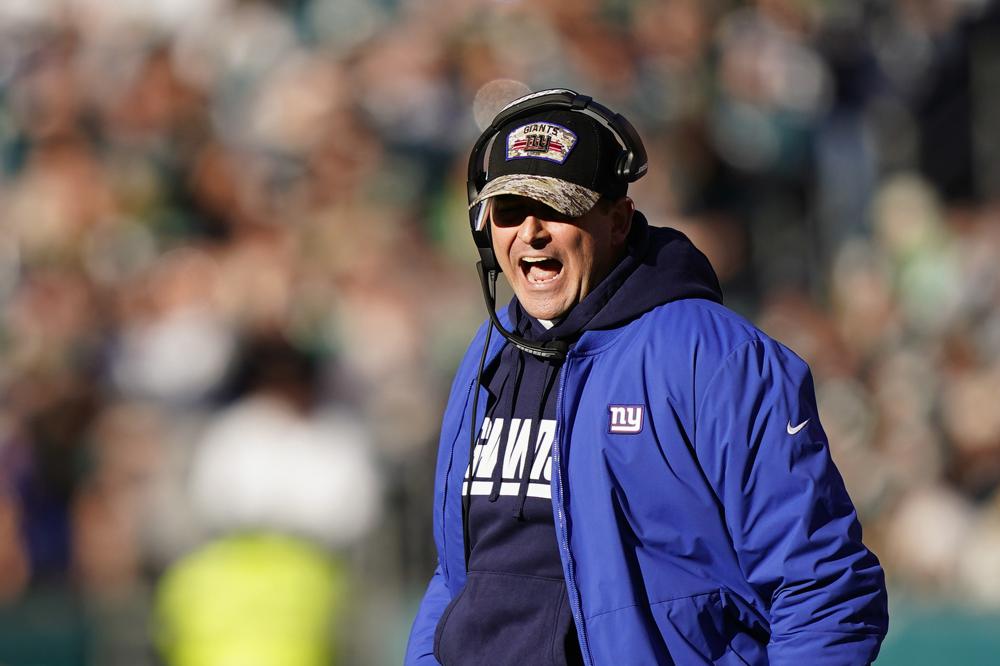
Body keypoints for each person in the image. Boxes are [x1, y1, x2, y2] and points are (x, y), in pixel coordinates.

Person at [406, 89, 888, 666]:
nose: (530, 233)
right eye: (509, 212)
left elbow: (823, 587)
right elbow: (461, 577)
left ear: (618, 220)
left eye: (557, 207)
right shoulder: (488, 353)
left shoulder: (713, 358)